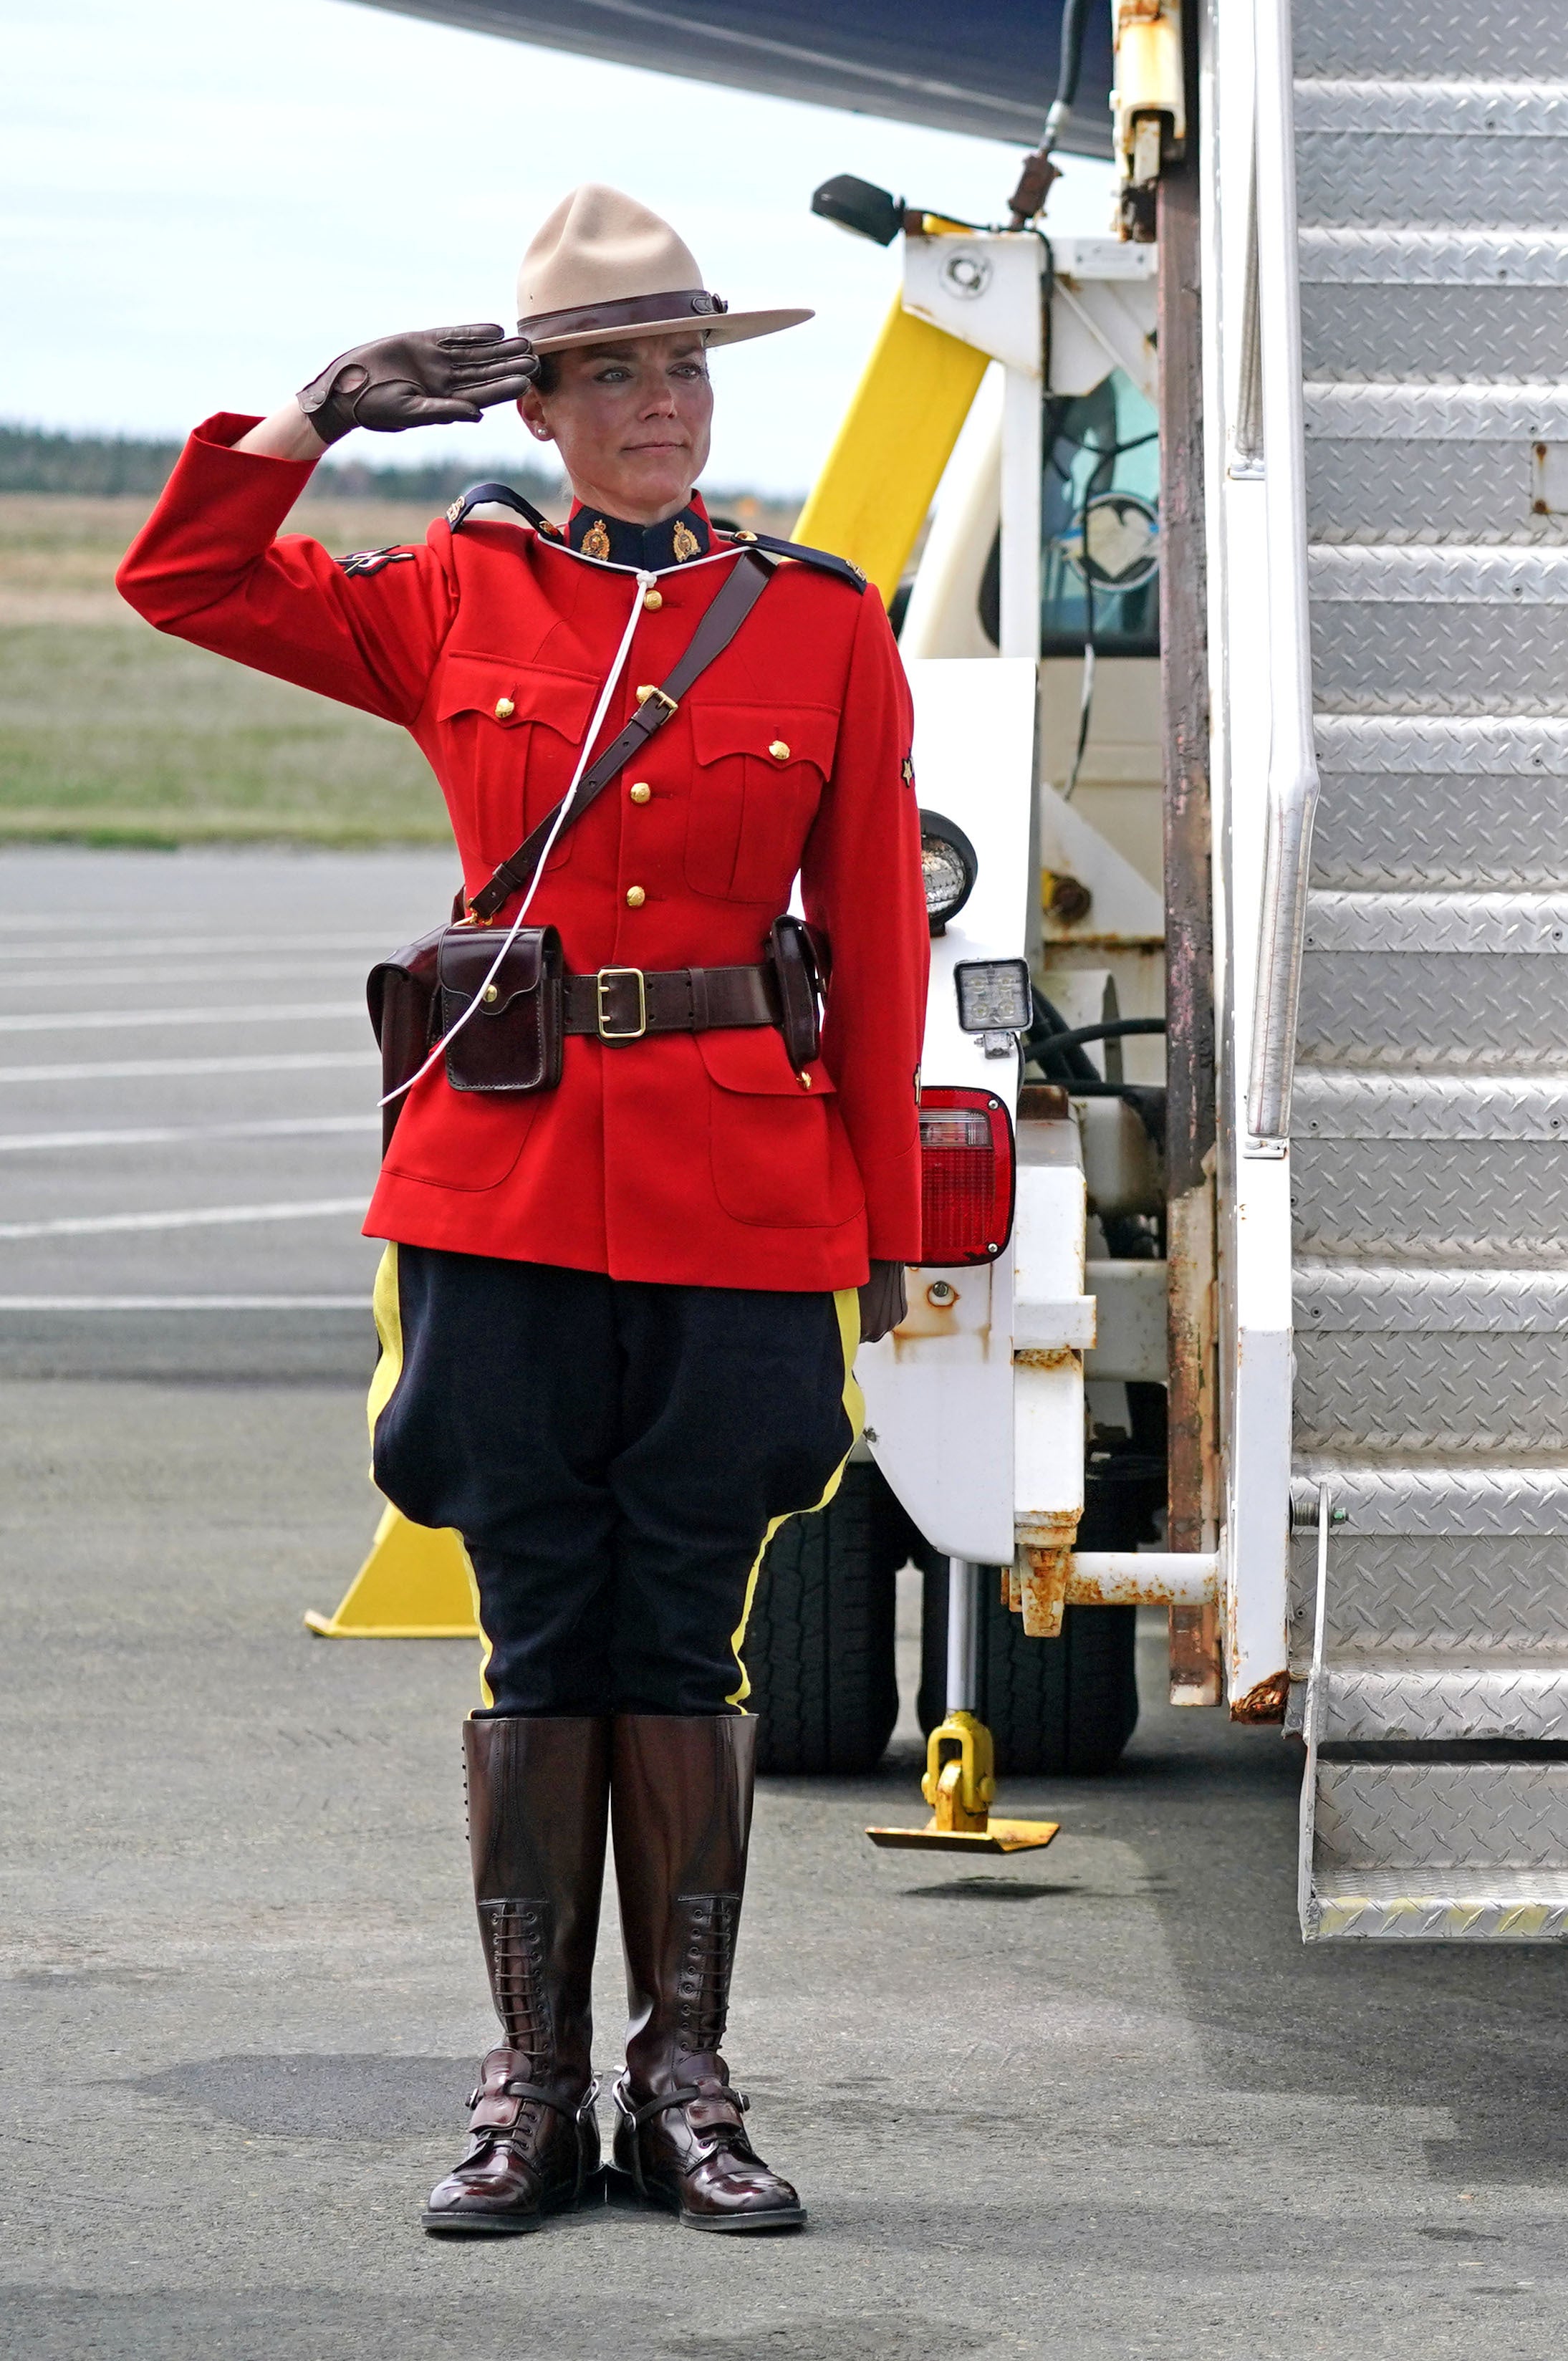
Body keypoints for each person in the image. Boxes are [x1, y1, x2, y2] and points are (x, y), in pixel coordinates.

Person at [118, 184, 928, 2235]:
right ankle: (534, 2086)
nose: (663, 404)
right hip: (497, 1186)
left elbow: (877, 951)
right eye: (616, 375)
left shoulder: (821, 618)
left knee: (687, 1630)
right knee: (534, 1628)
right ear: (541, 407)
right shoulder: (454, 596)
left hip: (743, 1189)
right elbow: (185, 580)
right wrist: (313, 417)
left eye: (685, 368)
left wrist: (884, 1221)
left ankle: (686, 2083)